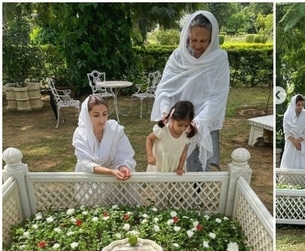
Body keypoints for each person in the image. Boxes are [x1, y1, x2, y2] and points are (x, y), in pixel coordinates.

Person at [150, 10, 229, 172]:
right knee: (170, 167)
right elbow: (165, 89)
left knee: (196, 171)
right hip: (176, 123)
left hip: (202, 124)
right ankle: (169, 198)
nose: (198, 45)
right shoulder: (178, 57)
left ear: (212, 38)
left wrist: (198, 122)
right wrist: (166, 111)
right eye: (194, 40)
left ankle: (195, 197)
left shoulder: (219, 59)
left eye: (203, 41)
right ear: (187, 35)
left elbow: (218, 96)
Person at [72, 95, 140, 206]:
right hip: (91, 178)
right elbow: (85, 163)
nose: (102, 119)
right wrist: (110, 172)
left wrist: (123, 166)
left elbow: (124, 153)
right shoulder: (81, 134)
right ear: (87, 115)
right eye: (96, 115)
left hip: (116, 178)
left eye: (105, 114)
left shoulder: (115, 130)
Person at [146, 101, 197, 174]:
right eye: (180, 125)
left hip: (174, 168)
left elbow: (184, 153)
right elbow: (149, 139)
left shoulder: (185, 135)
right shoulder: (163, 131)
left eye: (186, 126)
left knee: (172, 185)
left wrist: (180, 167)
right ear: (172, 119)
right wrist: (150, 155)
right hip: (159, 166)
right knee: (158, 184)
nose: (182, 129)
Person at [280, 94, 305, 169]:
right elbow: (287, 131)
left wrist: (299, 140)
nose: (300, 107)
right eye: (298, 105)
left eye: (302, 105)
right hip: (291, 144)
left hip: (304, 143)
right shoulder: (287, 116)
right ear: (293, 104)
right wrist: (294, 142)